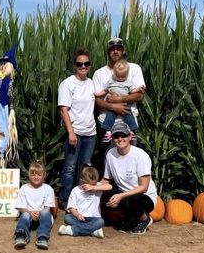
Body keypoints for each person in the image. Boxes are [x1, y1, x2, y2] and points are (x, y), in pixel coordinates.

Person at [96, 121, 158, 234]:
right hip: (124, 194)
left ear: (130, 136)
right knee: (105, 198)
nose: (120, 139)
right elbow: (106, 180)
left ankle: (144, 219)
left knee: (132, 201)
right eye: (116, 136)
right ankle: (129, 219)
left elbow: (144, 187)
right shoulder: (110, 154)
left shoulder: (140, 155)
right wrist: (92, 188)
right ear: (112, 138)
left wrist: (121, 196)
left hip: (144, 197)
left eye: (123, 135)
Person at [57, 47, 96, 208]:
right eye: (80, 64)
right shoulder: (68, 84)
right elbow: (63, 109)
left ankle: (80, 201)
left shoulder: (92, 83)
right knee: (70, 168)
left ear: (90, 65)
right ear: (74, 65)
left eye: (86, 64)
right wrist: (71, 133)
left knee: (84, 168)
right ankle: (66, 201)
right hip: (76, 133)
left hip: (90, 133)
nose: (83, 67)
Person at [93, 37, 145, 142]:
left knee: (129, 157)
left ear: (123, 50)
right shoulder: (99, 73)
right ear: (107, 52)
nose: (115, 51)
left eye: (119, 48)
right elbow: (97, 99)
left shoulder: (134, 68)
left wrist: (119, 100)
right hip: (105, 122)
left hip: (129, 124)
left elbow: (140, 95)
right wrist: (113, 107)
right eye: (112, 49)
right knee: (108, 157)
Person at [13, 161, 55, 250]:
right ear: (29, 175)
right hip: (28, 216)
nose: (36, 177)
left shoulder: (48, 189)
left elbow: (48, 207)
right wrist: (30, 212)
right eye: (33, 175)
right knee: (25, 215)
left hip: (43, 217)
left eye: (39, 175)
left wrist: (39, 212)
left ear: (44, 176)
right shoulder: (24, 188)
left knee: (45, 213)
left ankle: (42, 236)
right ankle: (21, 234)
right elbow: (21, 207)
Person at [94, 59, 139, 142]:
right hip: (112, 106)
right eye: (118, 76)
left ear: (127, 75)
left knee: (129, 116)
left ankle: (132, 131)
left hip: (125, 104)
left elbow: (133, 91)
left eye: (123, 77)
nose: (121, 79)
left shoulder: (128, 82)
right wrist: (97, 94)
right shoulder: (111, 82)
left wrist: (139, 89)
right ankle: (108, 132)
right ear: (114, 74)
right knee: (109, 116)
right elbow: (104, 90)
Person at [58, 165, 106, 238]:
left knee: (101, 221)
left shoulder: (96, 186)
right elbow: (71, 207)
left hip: (93, 218)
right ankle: (93, 231)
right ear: (82, 181)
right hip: (79, 218)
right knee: (67, 218)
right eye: (89, 184)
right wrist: (77, 215)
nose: (91, 186)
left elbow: (110, 186)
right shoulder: (76, 190)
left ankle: (71, 230)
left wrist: (94, 187)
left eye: (93, 184)